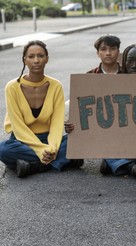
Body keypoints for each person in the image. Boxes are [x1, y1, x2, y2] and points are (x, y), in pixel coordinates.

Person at [0, 40, 83, 178]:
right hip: (22, 140)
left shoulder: (56, 86)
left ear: (47, 59)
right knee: (3, 149)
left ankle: (34, 166)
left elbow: (57, 124)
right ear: (24, 60)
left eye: (40, 56)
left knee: (78, 140)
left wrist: (52, 147)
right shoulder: (12, 87)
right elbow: (18, 127)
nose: (36, 60)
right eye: (31, 57)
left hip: (49, 138)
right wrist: (41, 150)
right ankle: (61, 161)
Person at [97, 44, 136, 180]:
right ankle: (131, 167)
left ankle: (116, 164)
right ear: (124, 63)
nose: (134, 65)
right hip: (122, 141)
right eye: (130, 61)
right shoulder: (113, 86)